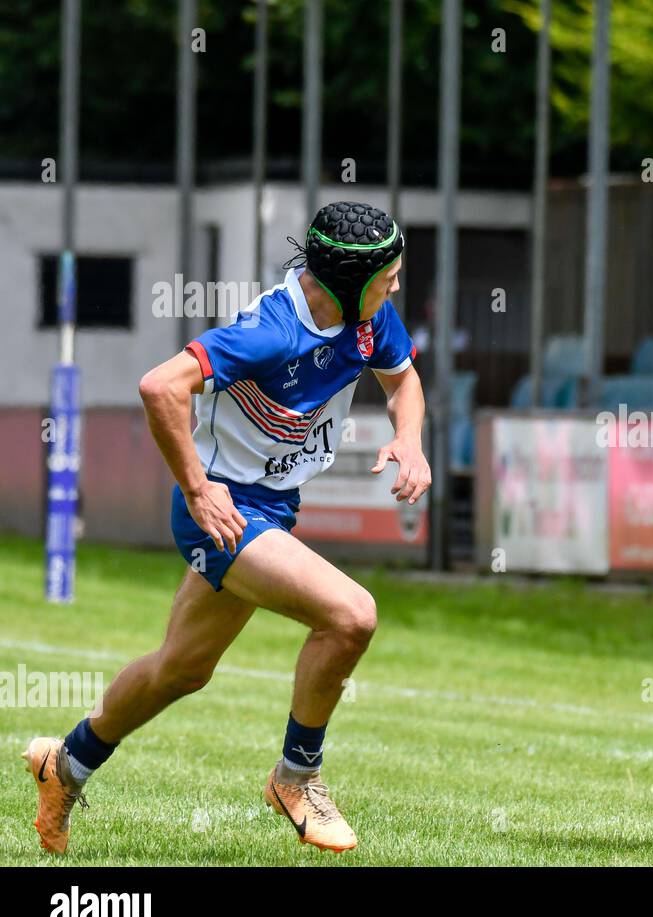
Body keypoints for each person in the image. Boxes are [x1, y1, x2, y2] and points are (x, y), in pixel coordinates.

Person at [23, 201, 431, 855]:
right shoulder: (270, 333)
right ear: (348, 280)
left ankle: (64, 764)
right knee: (351, 616)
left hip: (271, 507)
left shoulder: (367, 319)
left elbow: (403, 378)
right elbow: (160, 386)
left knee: (180, 671)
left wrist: (409, 441)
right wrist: (197, 485)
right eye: (388, 276)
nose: (397, 287)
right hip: (223, 513)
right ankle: (296, 778)